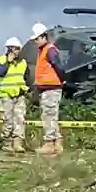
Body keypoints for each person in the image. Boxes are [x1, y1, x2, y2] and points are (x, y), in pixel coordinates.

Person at [30, 22, 67, 155]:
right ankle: (57, 143)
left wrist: (62, 79)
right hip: (47, 88)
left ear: (44, 37)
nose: (35, 42)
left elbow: (58, 65)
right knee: (51, 116)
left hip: (51, 89)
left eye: (37, 39)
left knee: (48, 116)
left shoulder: (49, 50)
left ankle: (49, 143)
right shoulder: (43, 50)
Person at [0, 36, 28, 153]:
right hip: (6, 95)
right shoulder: (0, 61)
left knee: (20, 119)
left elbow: (26, 77)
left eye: (19, 49)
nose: (18, 51)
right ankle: (7, 143)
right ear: (9, 49)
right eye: (15, 49)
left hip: (19, 95)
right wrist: (8, 61)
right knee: (7, 120)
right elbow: (0, 72)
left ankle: (18, 143)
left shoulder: (23, 63)